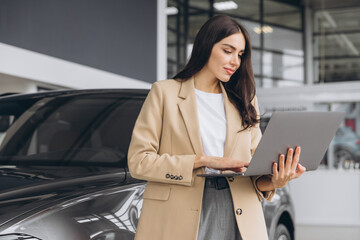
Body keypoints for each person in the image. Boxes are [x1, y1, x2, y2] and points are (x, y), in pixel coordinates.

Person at [128, 15, 306, 240]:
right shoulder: (165, 93)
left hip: (239, 209)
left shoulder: (245, 101)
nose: (235, 61)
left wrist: (275, 181)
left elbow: (255, 174)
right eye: (228, 50)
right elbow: (139, 162)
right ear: (206, 46)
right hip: (179, 211)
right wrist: (204, 161)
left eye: (240, 55)